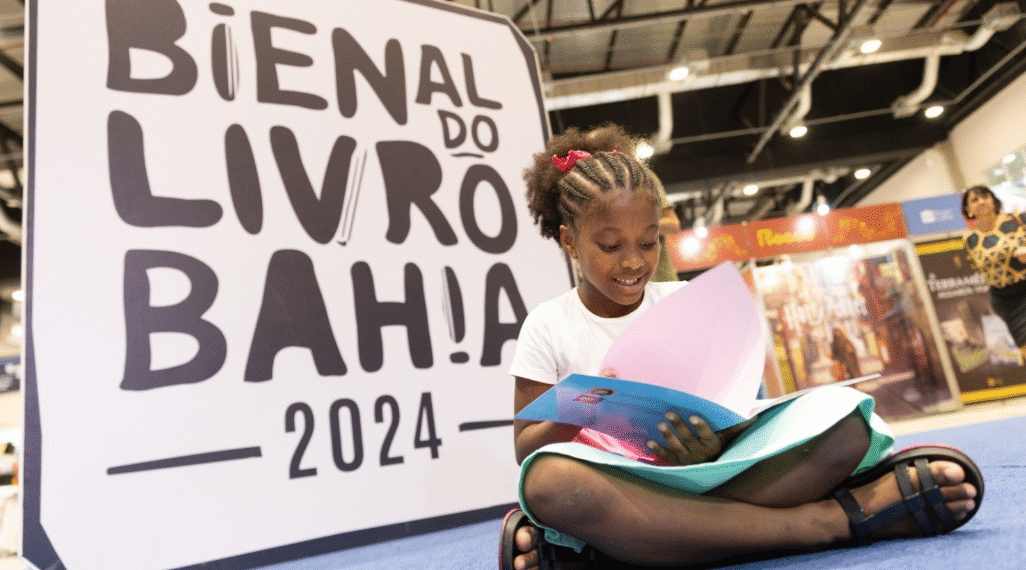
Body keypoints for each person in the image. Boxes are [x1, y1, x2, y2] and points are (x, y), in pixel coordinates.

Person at [499, 123, 983, 570]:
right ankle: (831, 522)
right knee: (548, 484)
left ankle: (618, 550)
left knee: (845, 420)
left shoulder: (685, 302)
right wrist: (584, 406)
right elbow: (526, 448)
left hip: (719, 468)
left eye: (648, 244)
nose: (633, 262)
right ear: (569, 241)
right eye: (610, 246)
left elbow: (738, 405)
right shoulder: (547, 325)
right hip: (626, 484)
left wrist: (717, 442)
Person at [961, 185, 1026, 360]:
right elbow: (977, 267)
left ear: (993, 200)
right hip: (1005, 300)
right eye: (975, 199)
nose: (981, 201)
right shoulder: (969, 240)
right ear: (968, 209)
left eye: (985, 197)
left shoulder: (1018, 219)